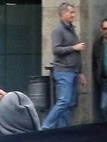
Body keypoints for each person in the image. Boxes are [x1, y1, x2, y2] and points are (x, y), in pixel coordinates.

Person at [42, 2, 87, 130]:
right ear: (63, 14)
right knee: (64, 101)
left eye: (73, 12)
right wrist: (74, 47)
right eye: (71, 12)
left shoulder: (72, 30)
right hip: (63, 71)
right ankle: (45, 126)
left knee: (71, 104)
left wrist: (80, 73)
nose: (74, 14)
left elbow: (77, 55)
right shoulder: (58, 31)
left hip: (73, 71)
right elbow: (56, 50)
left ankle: (64, 130)